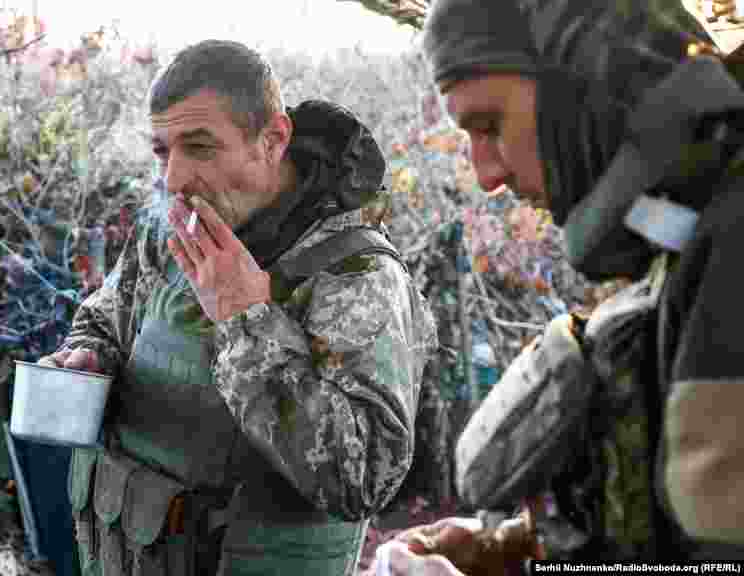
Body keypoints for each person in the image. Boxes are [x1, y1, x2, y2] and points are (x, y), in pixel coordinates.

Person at [38, 39, 436, 576]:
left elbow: (363, 477)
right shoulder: (174, 229)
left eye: (199, 147)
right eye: (162, 150)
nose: (172, 178)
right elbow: (104, 321)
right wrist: (86, 356)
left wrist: (243, 318)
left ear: (272, 140)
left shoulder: (357, 275)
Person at [372, 0, 744, 572]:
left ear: (591, 89)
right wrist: (515, 549)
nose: (487, 176)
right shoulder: (693, 236)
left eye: (490, 125)